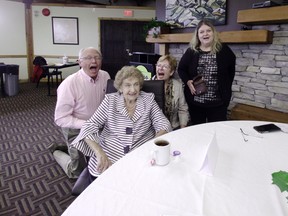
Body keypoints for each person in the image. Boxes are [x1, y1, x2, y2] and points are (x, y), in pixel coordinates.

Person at [72, 65, 172, 181]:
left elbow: (163, 123)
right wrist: (99, 153)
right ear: (120, 88)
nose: (133, 90)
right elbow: (89, 127)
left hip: (141, 156)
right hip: (110, 155)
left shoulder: (148, 100)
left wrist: (151, 146)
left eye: (136, 84)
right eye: (128, 85)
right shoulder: (110, 101)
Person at [49, 47, 111, 179]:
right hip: (75, 128)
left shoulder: (105, 76)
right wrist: (87, 124)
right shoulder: (69, 84)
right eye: (88, 58)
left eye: (97, 57)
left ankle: (67, 147)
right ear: (79, 62)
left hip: (97, 126)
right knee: (77, 173)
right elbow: (60, 119)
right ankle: (56, 151)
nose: (93, 61)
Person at [178, 19, 235, 125]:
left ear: (213, 33)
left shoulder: (224, 50)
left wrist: (225, 90)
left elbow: (230, 73)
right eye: (202, 32)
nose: (205, 34)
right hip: (195, 104)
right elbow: (181, 69)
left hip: (218, 104)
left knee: (217, 132)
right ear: (198, 35)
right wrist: (187, 81)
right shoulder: (192, 51)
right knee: (198, 133)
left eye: (208, 30)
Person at [152, 55, 190, 129]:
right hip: (153, 129)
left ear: (171, 72)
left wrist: (183, 128)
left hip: (172, 127)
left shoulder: (178, 86)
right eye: (159, 65)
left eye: (165, 66)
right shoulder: (147, 85)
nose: (161, 68)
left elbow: (183, 109)